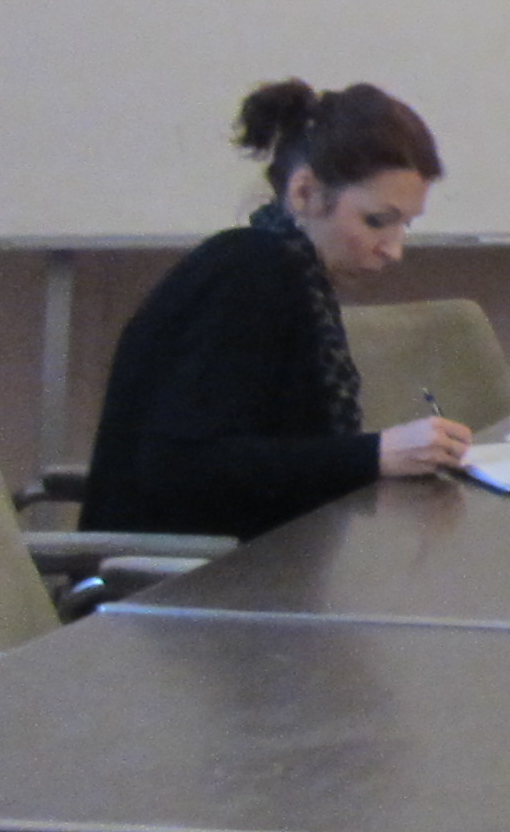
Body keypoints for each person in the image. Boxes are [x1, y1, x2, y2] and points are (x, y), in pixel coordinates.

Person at [83, 80, 469, 538]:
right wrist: (375, 454)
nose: (393, 250)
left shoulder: (291, 273)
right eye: (376, 221)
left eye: (405, 225)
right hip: (180, 573)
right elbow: (182, 468)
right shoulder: (251, 272)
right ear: (304, 193)